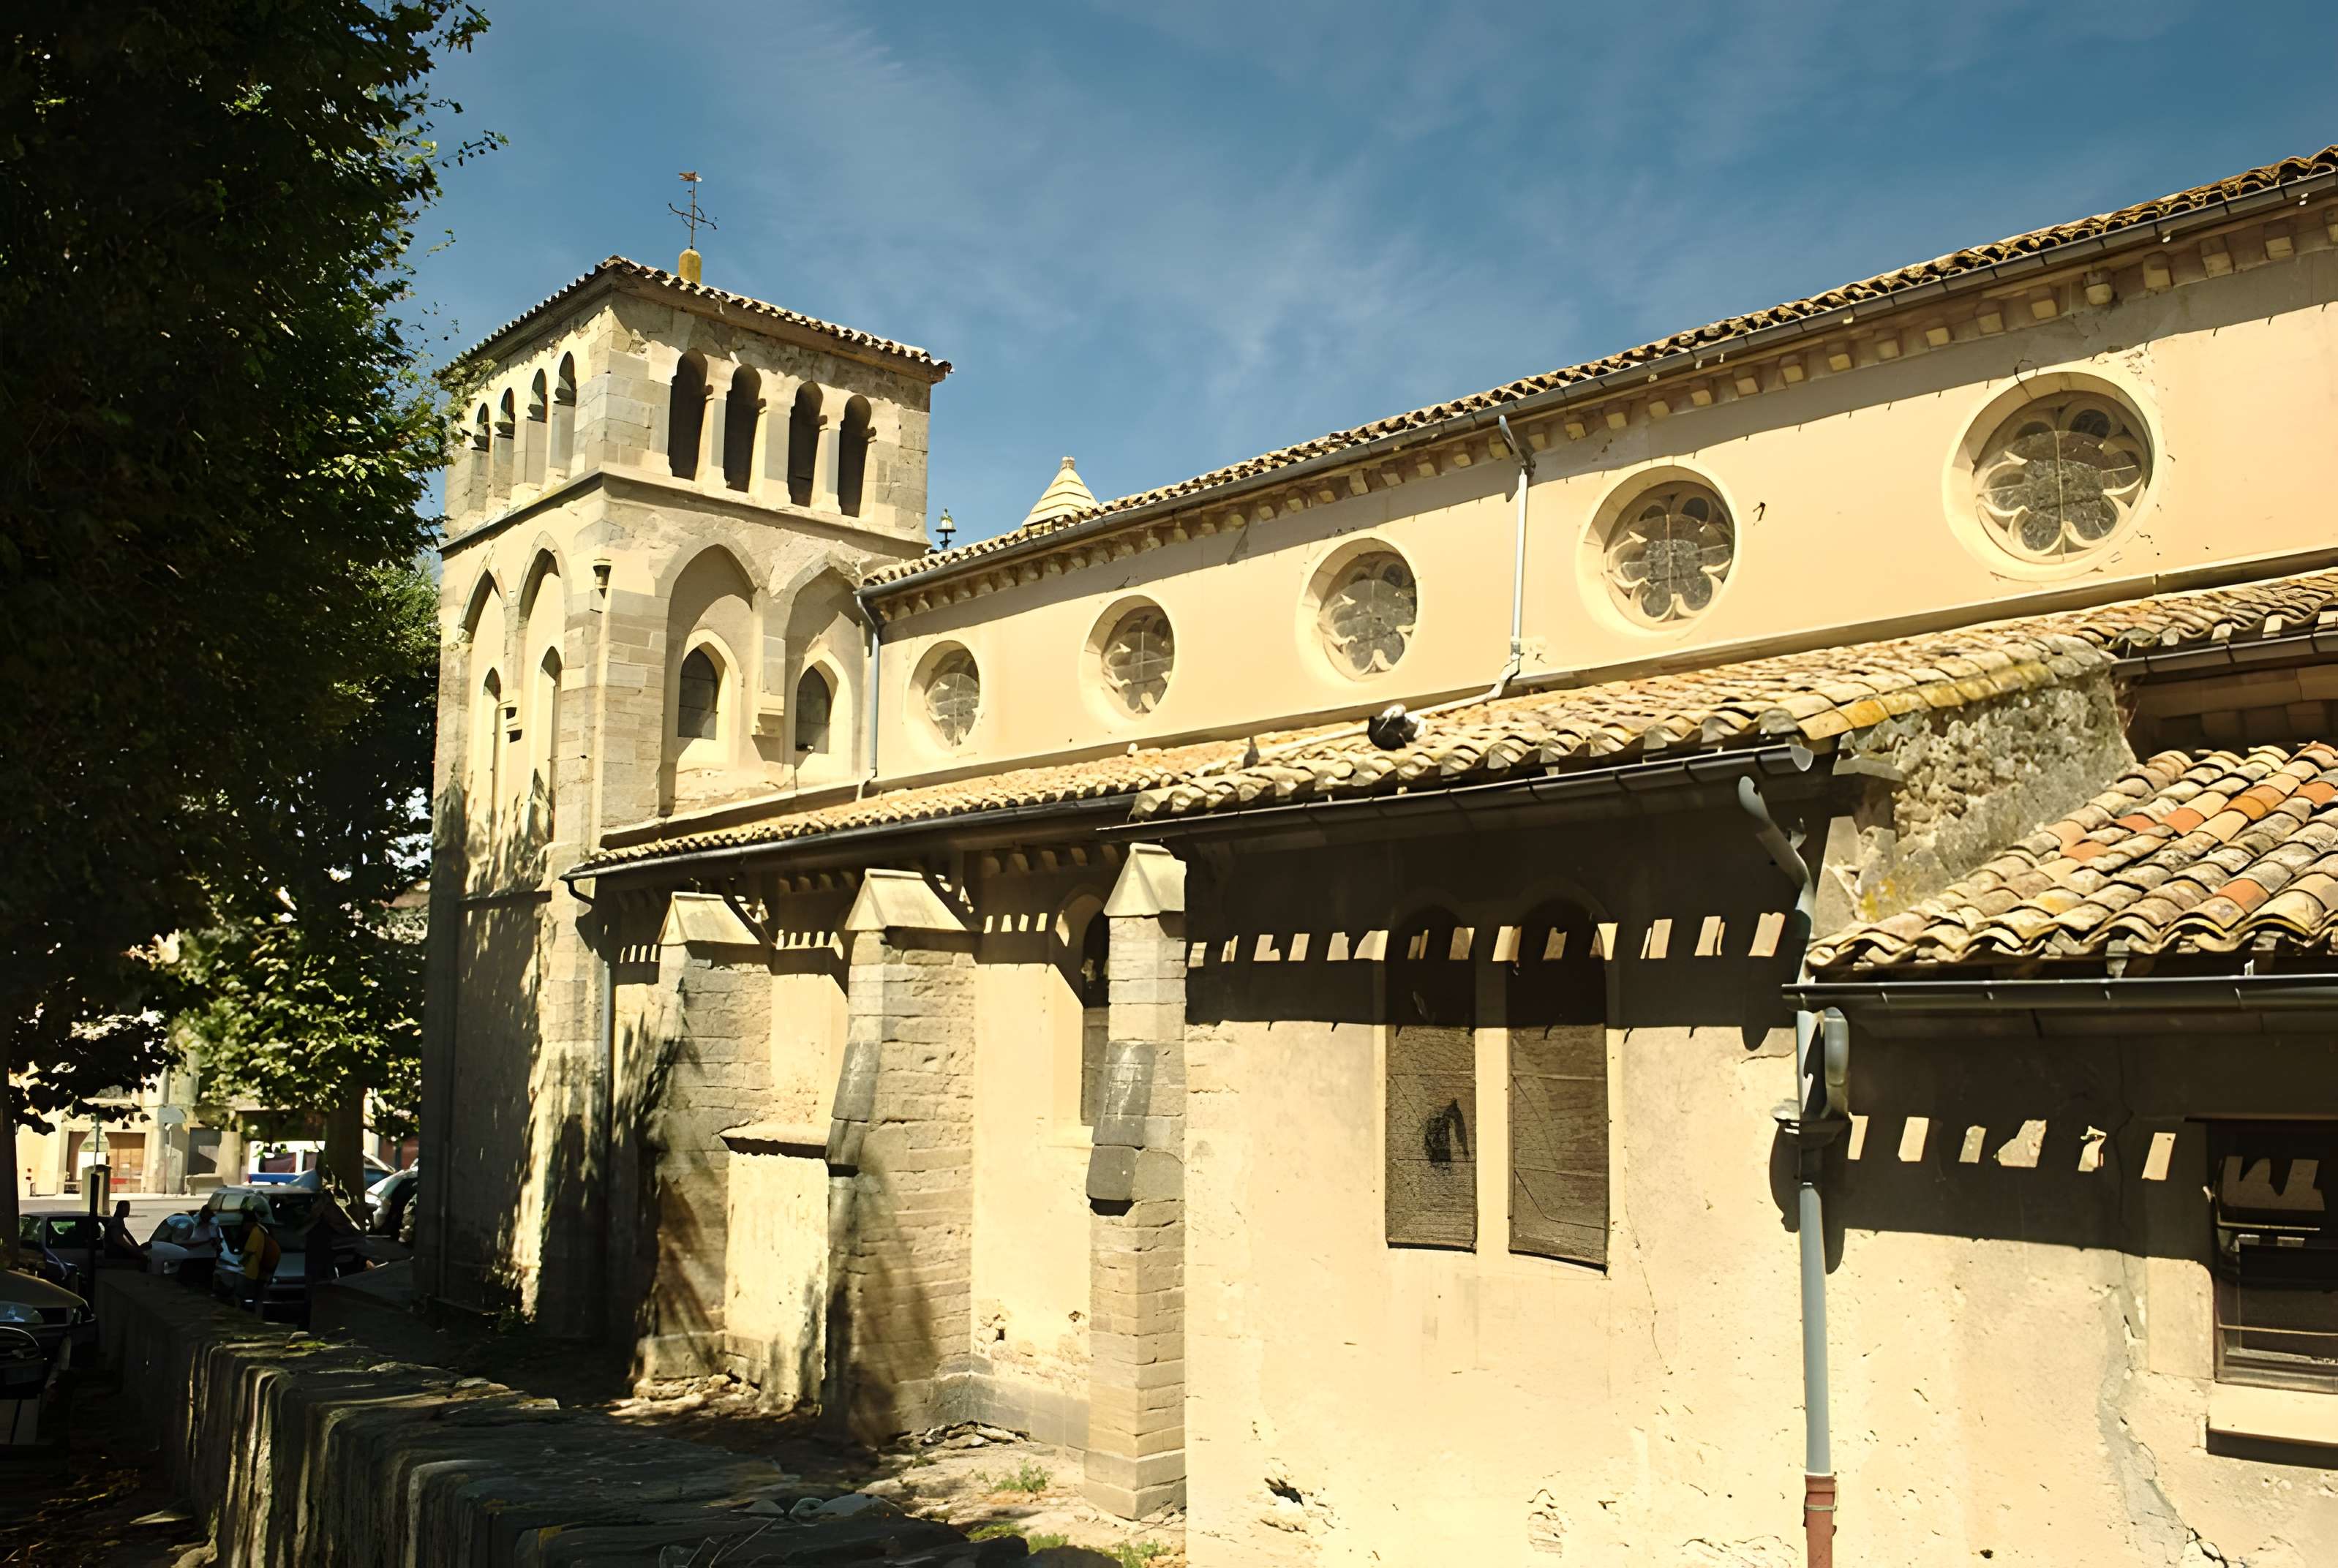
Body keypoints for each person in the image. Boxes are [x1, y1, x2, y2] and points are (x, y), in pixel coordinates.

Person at [238, 1214, 282, 1315]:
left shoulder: (256, 1231)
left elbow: (250, 1250)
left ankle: (255, 1315)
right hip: (263, 1269)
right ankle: (258, 1315)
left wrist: (241, 1262)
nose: (244, 1226)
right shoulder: (262, 1230)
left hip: (256, 1270)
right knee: (258, 1295)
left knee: (250, 1294)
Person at [101, 1200, 148, 1267]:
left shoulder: (119, 1221)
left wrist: (138, 1247)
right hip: (114, 1254)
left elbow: (128, 1235)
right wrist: (135, 1251)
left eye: (129, 1209)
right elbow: (120, 1241)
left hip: (116, 1252)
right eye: (126, 1209)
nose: (128, 1211)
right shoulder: (115, 1222)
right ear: (119, 1209)